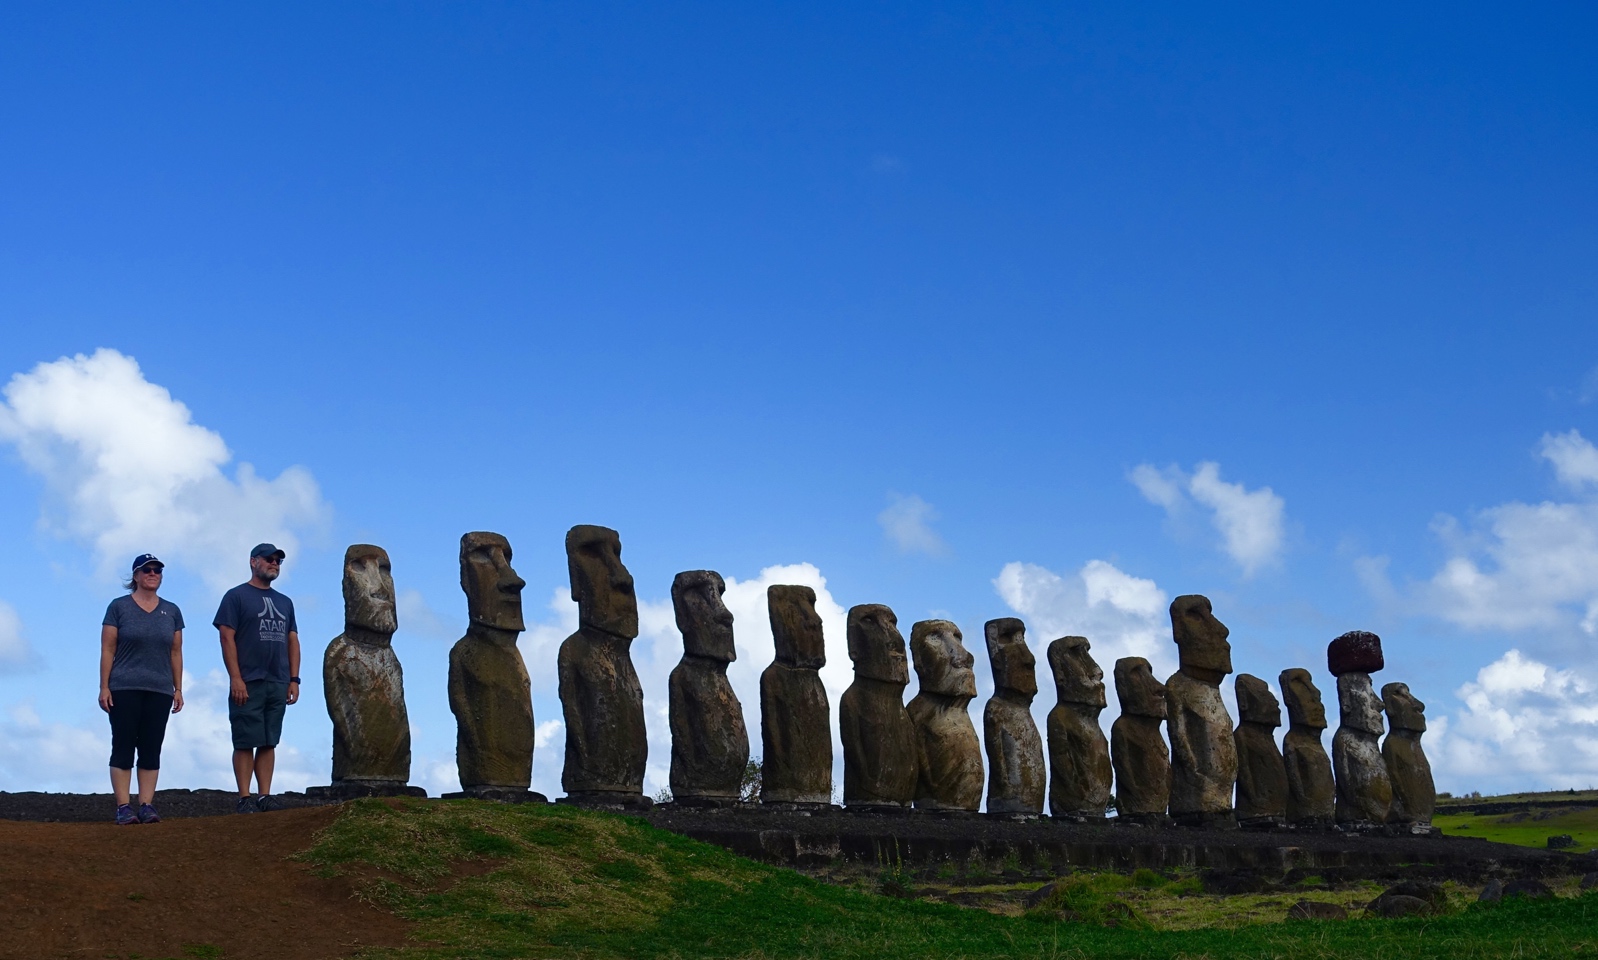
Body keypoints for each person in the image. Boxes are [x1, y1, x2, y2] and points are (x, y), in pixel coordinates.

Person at [213, 543, 301, 813]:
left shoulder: (285, 602)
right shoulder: (235, 596)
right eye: (269, 559)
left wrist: (294, 679)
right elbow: (226, 637)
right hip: (248, 679)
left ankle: (264, 795)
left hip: (278, 680)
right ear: (253, 561)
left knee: (268, 739)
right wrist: (235, 678)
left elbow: (292, 640)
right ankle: (244, 797)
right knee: (244, 739)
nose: (274, 563)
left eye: (278, 561)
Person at [99, 553, 185, 825]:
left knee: (151, 747)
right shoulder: (119, 607)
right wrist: (104, 687)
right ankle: (123, 806)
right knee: (123, 745)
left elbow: (176, 652)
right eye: (147, 570)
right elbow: (108, 648)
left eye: (157, 570)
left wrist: (178, 688)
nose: (152, 574)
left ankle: (146, 804)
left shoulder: (172, 611)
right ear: (135, 575)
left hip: (160, 689)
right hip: (124, 687)